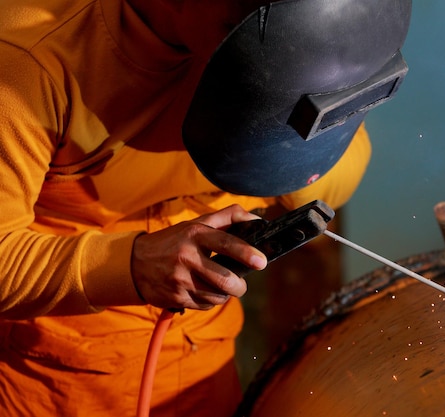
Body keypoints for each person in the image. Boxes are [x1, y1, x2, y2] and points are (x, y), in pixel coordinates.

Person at [0, 0, 410, 415]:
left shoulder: (300, 34)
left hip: (205, 359)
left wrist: (290, 149)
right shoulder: (27, 65)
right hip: (57, 379)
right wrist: (130, 265)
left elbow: (335, 181)